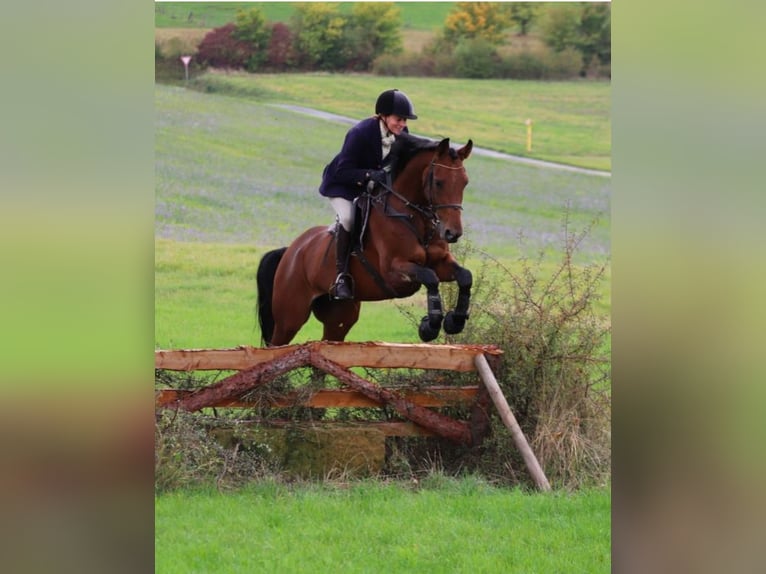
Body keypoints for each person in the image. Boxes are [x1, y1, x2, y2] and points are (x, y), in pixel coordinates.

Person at [318, 89, 418, 300]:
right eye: (398, 119)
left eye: (405, 120)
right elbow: (342, 172)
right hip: (343, 185)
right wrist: (369, 174)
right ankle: (341, 276)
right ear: (384, 116)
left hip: (370, 187)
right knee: (348, 218)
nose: (402, 124)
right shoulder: (360, 133)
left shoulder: (400, 133)